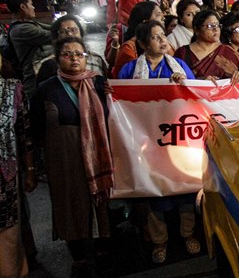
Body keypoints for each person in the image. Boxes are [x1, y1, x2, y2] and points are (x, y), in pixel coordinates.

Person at [31, 36, 114, 276]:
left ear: (86, 57)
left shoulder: (98, 83)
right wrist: (34, 166)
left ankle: (102, 247)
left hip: (97, 154)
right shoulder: (47, 89)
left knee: (100, 198)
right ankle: (77, 252)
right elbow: (36, 127)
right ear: (57, 58)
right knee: (70, 201)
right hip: (63, 158)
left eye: (79, 54)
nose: (74, 59)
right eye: (67, 54)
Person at [117, 21, 198, 263]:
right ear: (142, 44)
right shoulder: (129, 70)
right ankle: (159, 241)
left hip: (177, 140)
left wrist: (182, 83)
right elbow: (121, 103)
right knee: (154, 193)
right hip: (146, 143)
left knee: (185, 190)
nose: (163, 40)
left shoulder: (179, 66)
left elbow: (194, 96)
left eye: (163, 35)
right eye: (155, 37)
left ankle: (188, 234)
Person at [0, 56, 37, 277]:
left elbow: (24, 133)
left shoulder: (12, 90)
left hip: (5, 178)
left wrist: (30, 170)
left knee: (7, 232)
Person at [174, 10, 239, 84]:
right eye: (210, 26)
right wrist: (201, 81)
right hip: (192, 94)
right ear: (196, 29)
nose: (216, 29)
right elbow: (175, 79)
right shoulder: (183, 53)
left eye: (217, 25)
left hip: (225, 95)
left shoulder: (228, 51)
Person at [6, 0, 53, 100]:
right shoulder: (22, 30)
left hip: (40, 78)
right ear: (23, 6)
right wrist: (72, 29)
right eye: (31, 4)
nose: (33, 7)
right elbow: (53, 35)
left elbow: (52, 27)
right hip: (34, 81)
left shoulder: (27, 24)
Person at [112, 1, 168, 78]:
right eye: (158, 15)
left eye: (163, 35)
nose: (163, 18)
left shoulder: (177, 62)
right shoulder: (128, 49)